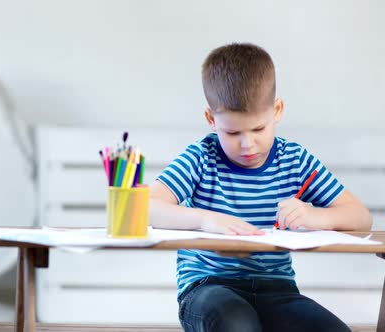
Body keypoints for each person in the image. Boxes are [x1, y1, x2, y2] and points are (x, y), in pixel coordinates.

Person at [149, 43, 372, 332]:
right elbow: (146, 207)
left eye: (258, 129)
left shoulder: (294, 160)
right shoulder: (201, 157)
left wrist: (316, 216)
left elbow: (361, 216)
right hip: (208, 289)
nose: (248, 144)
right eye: (232, 132)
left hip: (276, 290)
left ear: (277, 110)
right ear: (211, 120)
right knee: (237, 323)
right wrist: (206, 220)